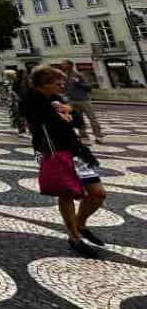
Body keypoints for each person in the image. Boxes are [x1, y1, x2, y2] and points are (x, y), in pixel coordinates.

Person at [26, 64, 107, 258]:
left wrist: (68, 111)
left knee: (98, 193)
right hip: (55, 152)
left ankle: (80, 223)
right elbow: (51, 122)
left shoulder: (55, 99)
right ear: (44, 84)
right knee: (66, 193)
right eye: (58, 83)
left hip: (76, 150)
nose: (62, 86)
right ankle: (74, 237)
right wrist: (64, 114)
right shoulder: (32, 100)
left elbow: (77, 120)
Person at [61, 60, 103, 142]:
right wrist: (65, 95)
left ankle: (98, 135)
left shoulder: (79, 75)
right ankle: (83, 134)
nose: (62, 66)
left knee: (92, 118)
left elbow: (89, 87)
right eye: (62, 64)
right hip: (72, 100)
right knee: (78, 119)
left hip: (83, 100)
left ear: (70, 65)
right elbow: (65, 88)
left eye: (64, 64)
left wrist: (79, 83)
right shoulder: (65, 77)